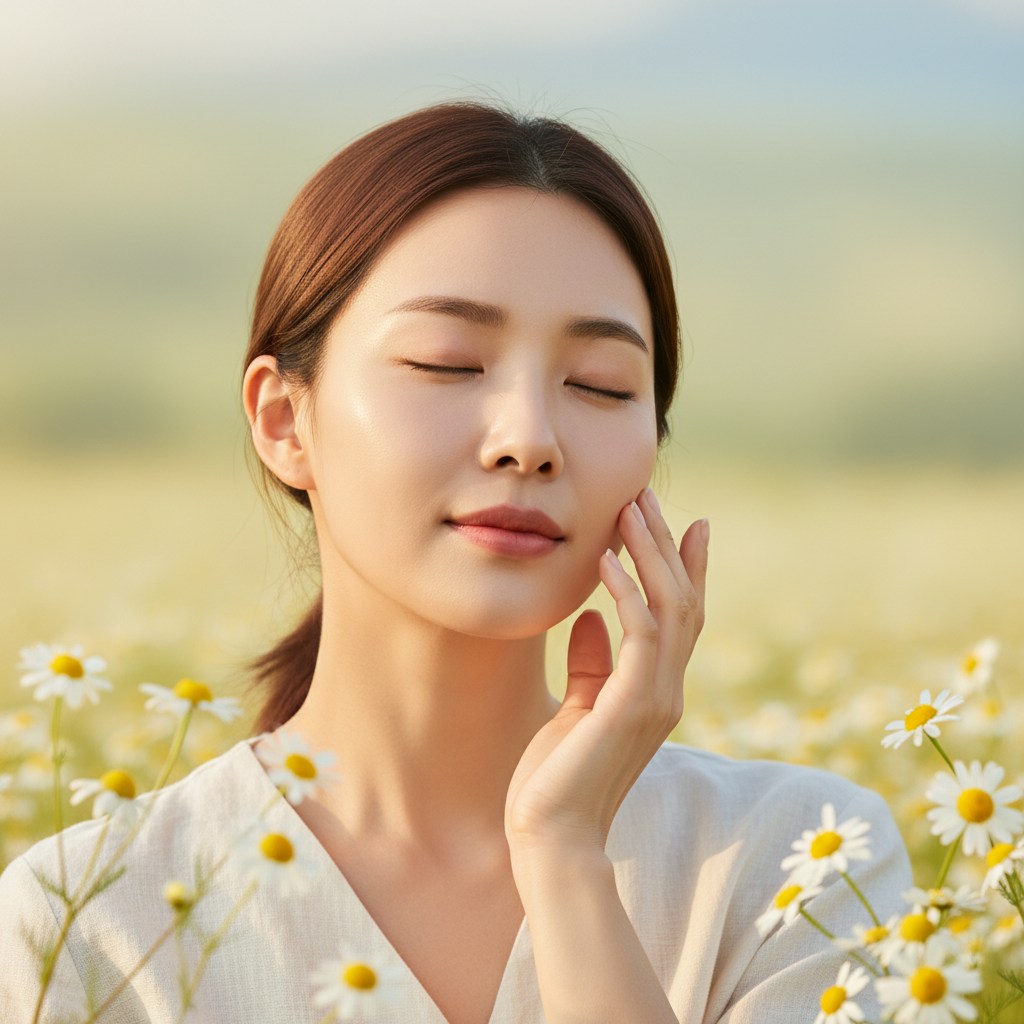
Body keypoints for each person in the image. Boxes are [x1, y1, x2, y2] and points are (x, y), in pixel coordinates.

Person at [0, 101, 911, 1024]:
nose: (530, 439)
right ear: (283, 420)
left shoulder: (801, 863)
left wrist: (565, 858)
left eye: (600, 385)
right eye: (447, 363)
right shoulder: (87, 921)